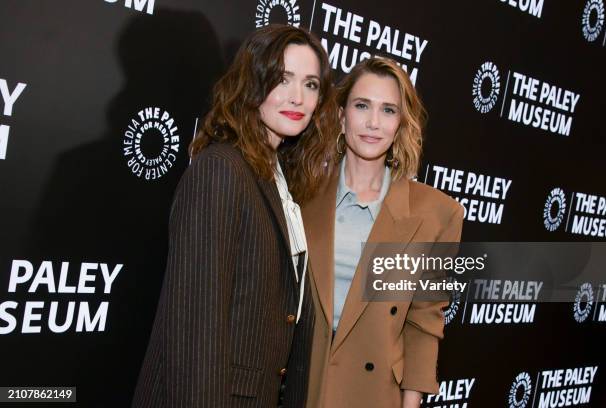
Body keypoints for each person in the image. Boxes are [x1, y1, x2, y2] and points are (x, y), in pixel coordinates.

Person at [132, 24, 337, 408]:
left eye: (311, 84)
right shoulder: (222, 169)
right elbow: (195, 330)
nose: (298, 97)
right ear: (253, 81)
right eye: (282, 78)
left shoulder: (281, 180)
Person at [302, 57, 464, 408]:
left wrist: (410, 403)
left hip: (372, 396)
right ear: (342, 116)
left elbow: (423, 322)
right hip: (298, 387)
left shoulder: (437, 214)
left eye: (388, 110)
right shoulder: (302, 192)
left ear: (401, 124)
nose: (374, 123)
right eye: (362, 106)